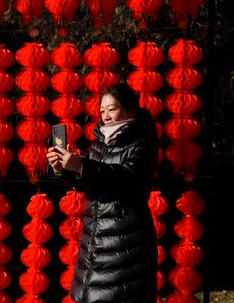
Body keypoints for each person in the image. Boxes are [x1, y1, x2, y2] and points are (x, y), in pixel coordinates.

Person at [46, 83, 159, 303]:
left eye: (112, 109)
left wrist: (81, 166)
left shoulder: (141, 142)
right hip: (95, 237)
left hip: (126, 239)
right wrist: (62, 169)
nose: (106, 115)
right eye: (102, 111)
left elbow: (126, 177)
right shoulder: (99, 144)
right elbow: (89, 180)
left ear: (130, 109)